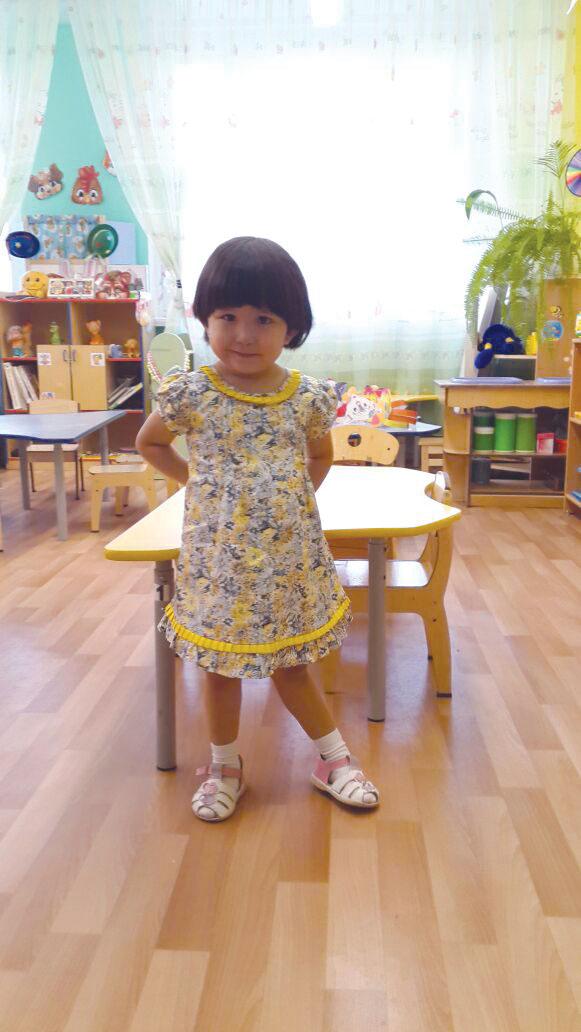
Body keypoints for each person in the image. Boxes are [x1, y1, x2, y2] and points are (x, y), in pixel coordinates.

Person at [136, 237, 380, 822]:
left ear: (292, 326)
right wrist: (201, 485)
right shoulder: (191, 394)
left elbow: (320, 456)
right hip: (216, 564)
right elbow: (150, 443)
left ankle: (333, 760)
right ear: (204, 319)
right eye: (228, 317)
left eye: (263, 319)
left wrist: (289, 499)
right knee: (219, 669)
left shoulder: (308, 398)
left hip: (287, 563)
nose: (243, 335)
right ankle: (224, 766)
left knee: (292, 665)